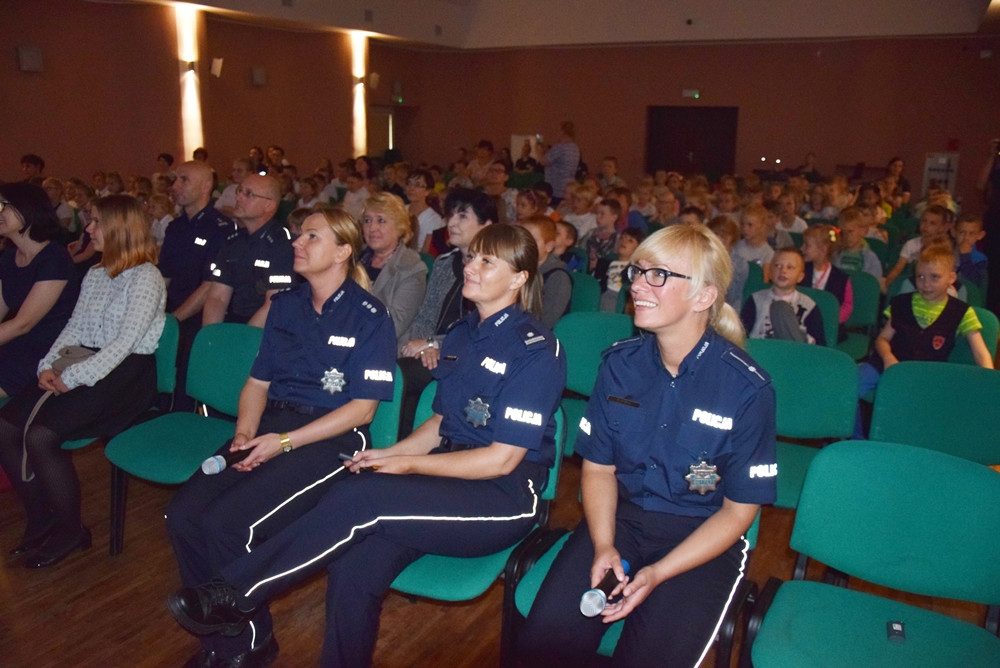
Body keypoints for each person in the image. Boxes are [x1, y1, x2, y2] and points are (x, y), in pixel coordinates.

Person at [166, 224, 566, 667]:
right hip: (449, 476)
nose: (469, 266)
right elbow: (440, 423)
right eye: (471, 257)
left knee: (366, 496)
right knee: (354, 565)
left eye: (487, 261)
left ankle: (238, 592)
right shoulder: (461, 334)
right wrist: (392, 455)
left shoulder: (536, 349)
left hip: (502, 496)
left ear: (519, 278)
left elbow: (501, 459)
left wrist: (409, 468)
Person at [518, 224, 776, 667]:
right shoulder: (619, 365)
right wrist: (603, 545)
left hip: (701, 537)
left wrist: (657, 573)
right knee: (545, 644)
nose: (637, 284)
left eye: (658, 274)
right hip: (622, 522)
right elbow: (598, 471)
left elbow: (738, 514)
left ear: (703, 297)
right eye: (638, 272)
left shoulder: (747, 388)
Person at [165, 207, 398, 667]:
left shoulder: (369, 315)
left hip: (333, 441)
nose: (297, 243)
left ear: (342, 251)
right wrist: (246, 433)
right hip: (271, 427)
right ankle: (223, 633)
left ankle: (248, 643)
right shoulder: (286, 305)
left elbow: (362, 409)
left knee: (230, 525)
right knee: (184, 515)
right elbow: (257, 383)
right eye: (298, 234)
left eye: (312, 236)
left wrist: (284, 443)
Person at [0, 194, 165, 568]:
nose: (88, 229)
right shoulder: (95, 273)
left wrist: (72, 377)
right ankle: (42, 518)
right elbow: (74, 328)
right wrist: (49, 365)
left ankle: (70, 530)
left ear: (120, 229)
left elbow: (124, 345)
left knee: (41, 436)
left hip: (127, 375)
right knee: (5, 425)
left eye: (95, 222)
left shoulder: (145, 278)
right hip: (89, 361)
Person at [854, 242, 993, 437]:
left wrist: (991, 381)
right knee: (849, 390)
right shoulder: (902, 303)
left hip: (925, 373)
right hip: (886, 363)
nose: (926, 284)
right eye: (920, 277)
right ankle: (856, 441)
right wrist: (888, 358)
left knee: (906, 405)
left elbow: (980, 351)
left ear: (951, 278)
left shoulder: (961, 311)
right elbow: (882, 339)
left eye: (935, 277)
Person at [396, 188, 496, 437]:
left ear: (486, 225)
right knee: (399, 374)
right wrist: (423, 346)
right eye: (451, 215)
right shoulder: (443, 263)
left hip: (470, 354)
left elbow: (483, 328)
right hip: (429, 353)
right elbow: (425, 316)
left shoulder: (496, 270)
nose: (451, 222)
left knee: (405, 378)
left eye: (462, 216)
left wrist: (434, 344)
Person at [0, 184, 80, 397]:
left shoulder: (54, 258)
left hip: (46, 351)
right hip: (16, 344)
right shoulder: (9, 257)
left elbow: (23, 324)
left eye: (2, 206)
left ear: (27, 208)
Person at [203, 174, 294, 327]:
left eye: (248, 194)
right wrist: (211, 337)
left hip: (268, 331)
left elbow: (274, 304)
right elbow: (217, 297)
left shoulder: (282, 244)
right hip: (233, 325)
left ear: (269, 205)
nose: (238, 197)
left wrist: (242, 343)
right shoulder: (233, 241)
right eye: (239, 191)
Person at [360, 192, 429, 345]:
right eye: (367, 220)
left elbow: (393, 326)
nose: (372, 228)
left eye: (381, 220)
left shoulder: (412, 268)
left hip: (384, 349)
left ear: (399, 228)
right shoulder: (355, 260)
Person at [741, 247, 826, 345]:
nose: (783, 271)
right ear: (770, 272)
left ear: (800, 277)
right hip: (762, 353)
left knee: (780, 309)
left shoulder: (809, 305)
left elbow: (820, 345)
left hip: (796, 355)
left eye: (790, 267)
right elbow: (742, 334)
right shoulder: (755, 300)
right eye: (778, 265)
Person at [519, 215, 572, 327]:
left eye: (532, 240)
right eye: (521, 239)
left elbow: (548, 320)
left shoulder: (558, 277)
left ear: (549, 246)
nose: (524, 245)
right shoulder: (518, 268)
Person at [800, 224, 853, 327]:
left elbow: (847, 305)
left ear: (823, 249)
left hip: (829, 327)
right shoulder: (799, 270)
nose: (802, 248)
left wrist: (833, 320)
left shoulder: (841, 278)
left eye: (807, 245)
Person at [537, 121, 581, 204]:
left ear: (562, 132)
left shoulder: (560, 147)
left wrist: (539, 151)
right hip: (569, 187)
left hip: (556, 188)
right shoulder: (575, 148)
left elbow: (543, 162)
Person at [955, 213, 988, 292]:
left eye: (971, 234)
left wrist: (965, 256)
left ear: (980, 235)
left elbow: (975, 281)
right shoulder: (948, 252)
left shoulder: (980, 259)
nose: (966, 238)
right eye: (962, 232)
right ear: (954, 232)